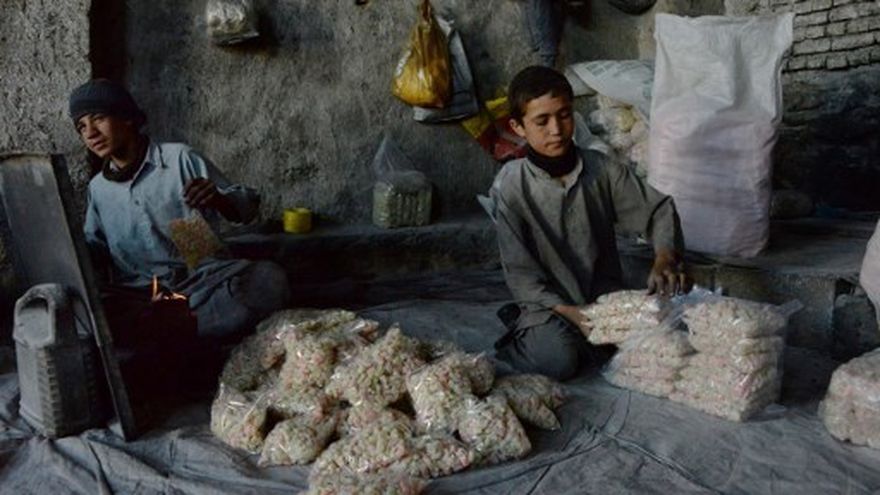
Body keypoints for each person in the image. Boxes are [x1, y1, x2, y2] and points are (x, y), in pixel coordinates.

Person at [489, 66, 690, 381]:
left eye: (564, 115)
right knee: (559, 360)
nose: (556, 129)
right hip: (548, 306)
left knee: (665, 341)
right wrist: (574, 316)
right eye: (541, 121)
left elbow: (658, 209)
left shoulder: (601, 169)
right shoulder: (512, 187)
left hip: (603, 298)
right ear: (518, 127)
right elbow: (521, 276)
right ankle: (519, 334)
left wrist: (664, 255)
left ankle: (588, 340)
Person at [69, 79, 290, 341]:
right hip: (140, 292)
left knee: (268, 281)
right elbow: (95, 248)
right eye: (81, 126)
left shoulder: (179, 159)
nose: (90, 133)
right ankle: (182, 328)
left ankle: (170, 330)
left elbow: (247, 209)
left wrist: (218, 199)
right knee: (88, 311)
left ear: (127, 117)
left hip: (203, 282)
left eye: (98, 118)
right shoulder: (99, 189)